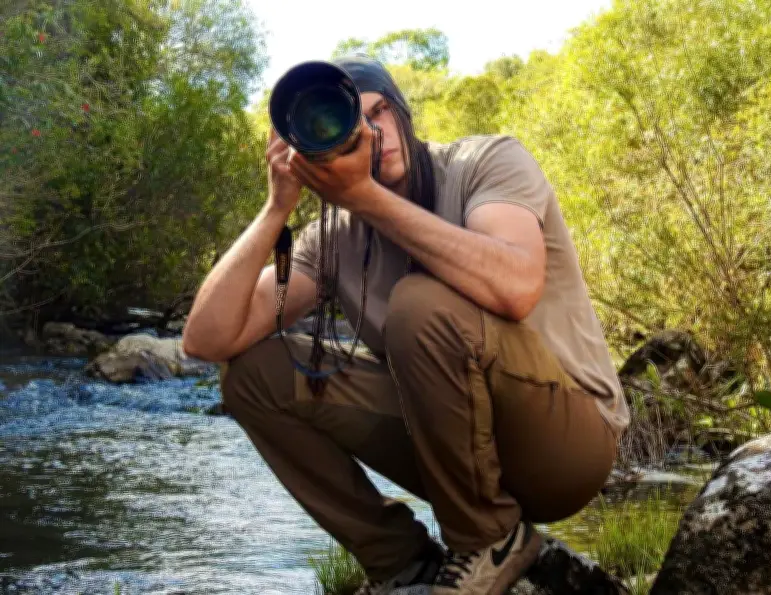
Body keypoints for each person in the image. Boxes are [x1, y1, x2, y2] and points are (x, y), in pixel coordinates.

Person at [182, 56, 630, 595]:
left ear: (402, 111)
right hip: (453, 452)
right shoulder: (334, 238)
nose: (374, 133)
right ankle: (401, 562)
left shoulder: (485, 162)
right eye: (351, 124)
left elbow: (514, 287)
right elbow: (207, 340)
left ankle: (490, 541)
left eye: (380, 112)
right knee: (254, 373)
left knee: (419, 303)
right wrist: (277, 206)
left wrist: (365, 197)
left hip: (565, 444)